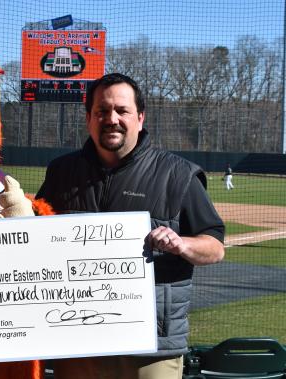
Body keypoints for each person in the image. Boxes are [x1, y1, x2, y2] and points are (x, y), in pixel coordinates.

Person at [36, 73, 225, 379]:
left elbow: (215, 246)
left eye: (121, 111)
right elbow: (36, 236)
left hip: (150, 350)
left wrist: (183, 244)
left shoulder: (177, 174)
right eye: (101, 111)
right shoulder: (62, 172)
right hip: (77, 341)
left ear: (139, 117)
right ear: (88, 119)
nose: (111, 119)